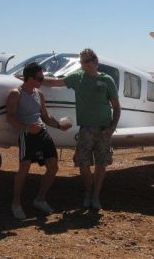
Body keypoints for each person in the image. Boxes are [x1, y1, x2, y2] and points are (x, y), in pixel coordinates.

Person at [44, 48, 120, 210]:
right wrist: (30, 79)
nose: (82, 64)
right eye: (81, 62)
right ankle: (88, 191)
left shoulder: (107, 80)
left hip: (104, 129)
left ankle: (95, 196)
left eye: (85, 61)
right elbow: (55, 82)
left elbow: (116, 107)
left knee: (101, 164)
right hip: (86, 129)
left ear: (95, 62)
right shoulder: (77, 78)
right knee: (82, 164)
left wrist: (112, 127)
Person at [6, 62, 71, 220]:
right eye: (39, 78)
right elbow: (10, 117)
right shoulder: (16, 94)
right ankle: (16, 204)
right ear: (29, 78)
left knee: (53, 167)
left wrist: (59, 126)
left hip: (42, 132)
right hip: (27, 134)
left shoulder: (39, 94)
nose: (42, 81)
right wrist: (27, 129)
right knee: (24, 169)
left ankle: (40, 199)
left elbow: (45, 117)